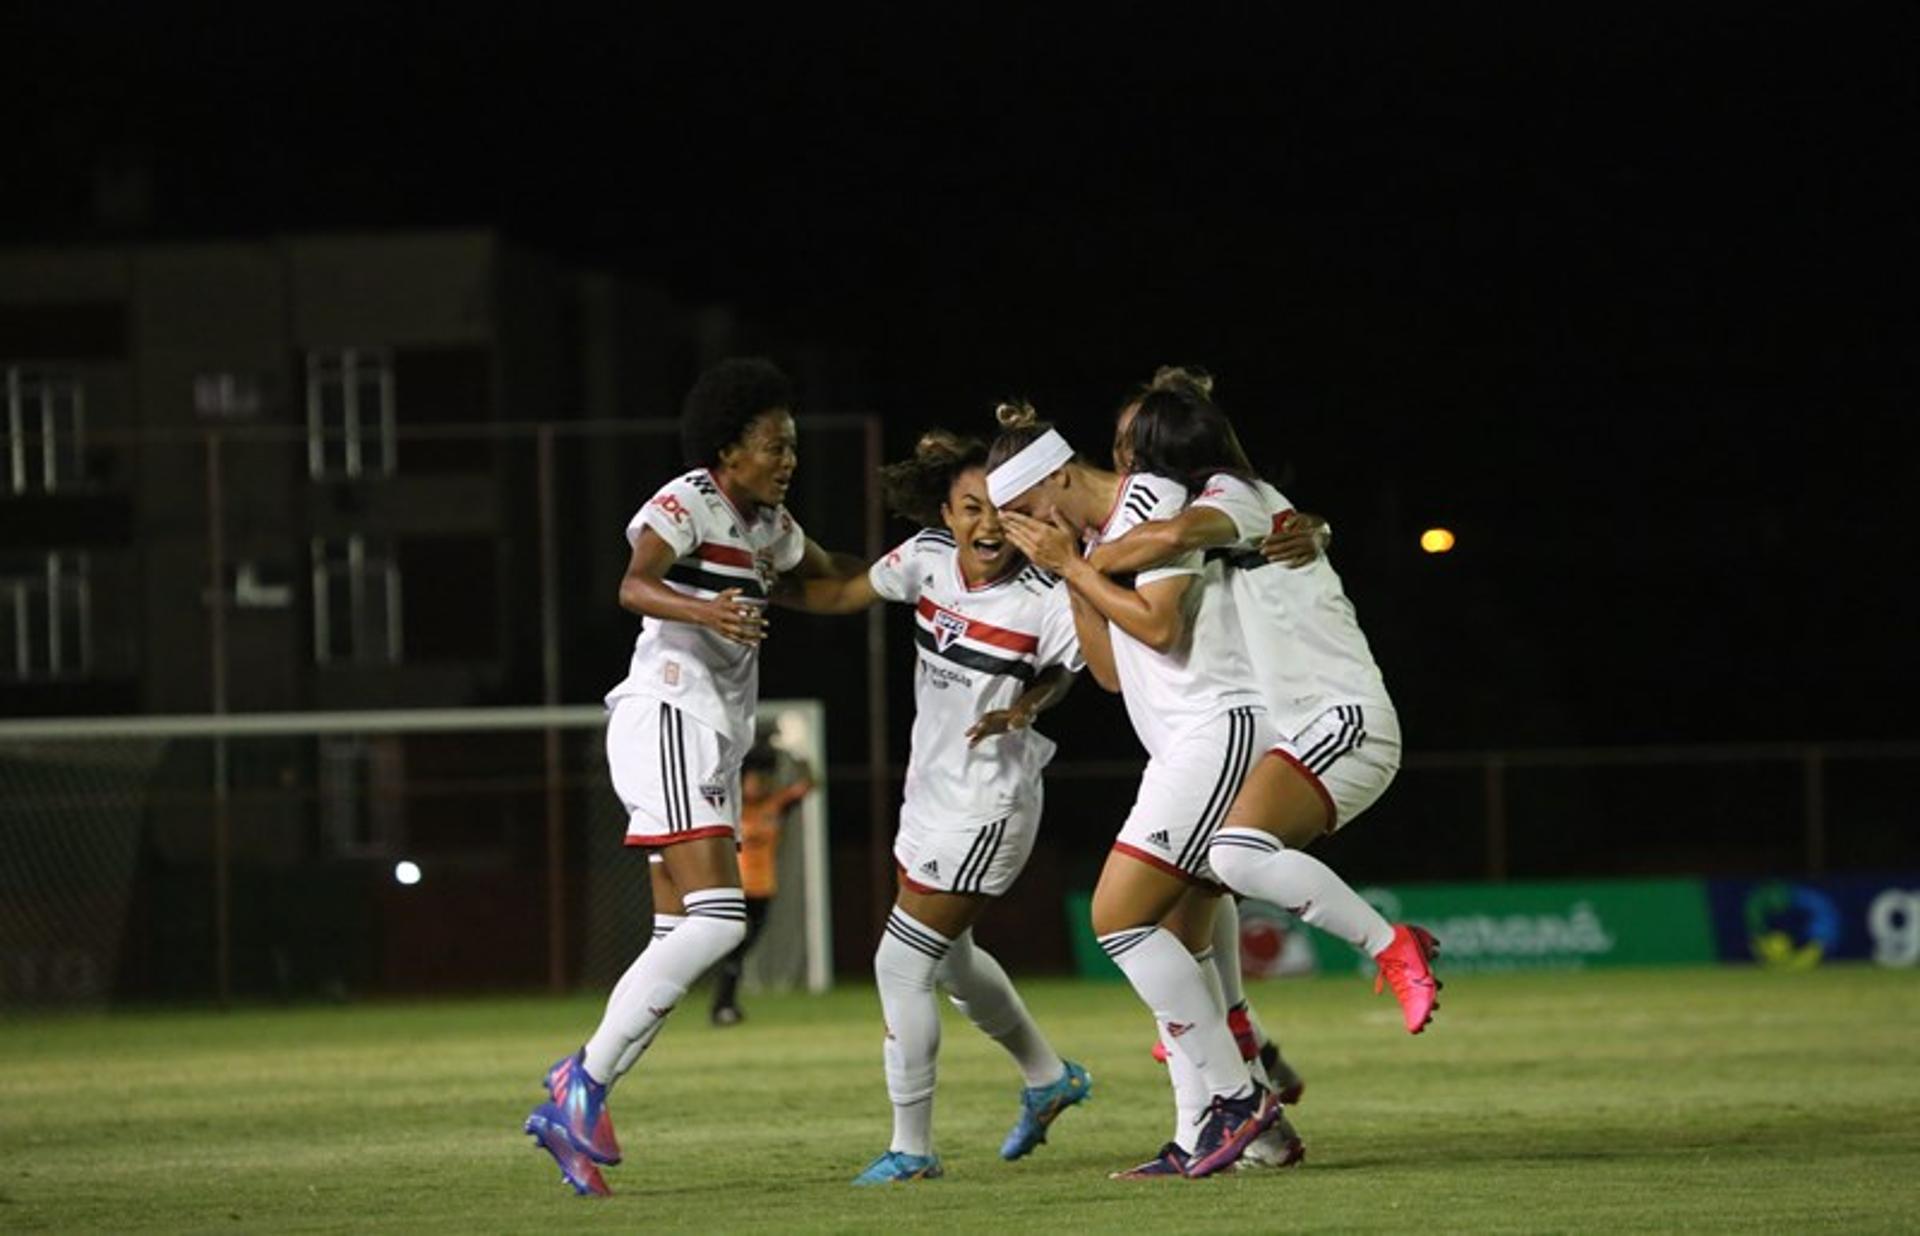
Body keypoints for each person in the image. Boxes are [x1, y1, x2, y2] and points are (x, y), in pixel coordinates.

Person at [524, 357, 863, 1198]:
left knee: (681, 936)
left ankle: (579, 1113)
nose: (788, 459)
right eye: (773, 446)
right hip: (670, 714)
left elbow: (823, 580)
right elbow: (633, 583)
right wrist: (703, 608)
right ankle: (582, 1083)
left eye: (792, 446)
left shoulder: (769, 525)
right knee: (719, 924)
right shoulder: (688, 500)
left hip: (707, 735)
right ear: (728, 448)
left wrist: (919, 572)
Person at [782, 428, 1091, 1184]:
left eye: (1002, 510)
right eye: (969, 508)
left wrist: (1029, 703)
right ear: (946, 514)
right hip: (928, 797)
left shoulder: (1044, 597)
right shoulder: (924, 559)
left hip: (991, 804)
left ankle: (912, 1150)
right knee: (948, 962)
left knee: (899, 964)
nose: (987, 526)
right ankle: (1049, 1077)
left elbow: (1072, 670)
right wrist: (755, 577)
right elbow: (844, 590)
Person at [988, 404, 1280, 1180]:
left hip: (1218, 729)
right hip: (1182, 745)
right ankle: (1214, 1134)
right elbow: (1114, 673)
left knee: (1116, 917)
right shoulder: (1088, 543)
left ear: (1055, 476)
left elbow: (1159, 628)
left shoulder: (1148, 501)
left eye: (1020, 510)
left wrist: (1077, 566)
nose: (1017, 528)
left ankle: (1237, 1098)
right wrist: (1072, 570)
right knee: (1179, 943)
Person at [710, 736, 813, 1026]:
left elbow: (808, 785)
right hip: (736, 888)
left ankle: (725, 1006)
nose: (759, 784)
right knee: (735, 948)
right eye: (753, 778)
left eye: (763, 779)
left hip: (764, 888)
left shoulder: (775, 805)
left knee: (742, 949)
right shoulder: (732, 806)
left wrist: (800, 752)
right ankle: (722, 1007)